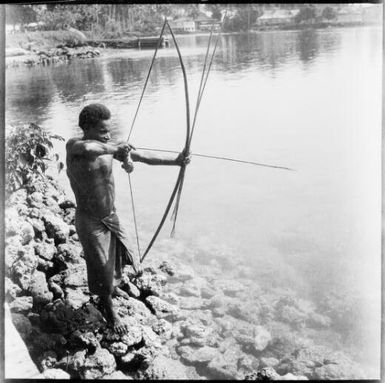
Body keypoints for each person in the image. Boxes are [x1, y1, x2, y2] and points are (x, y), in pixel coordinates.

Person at [66, 103, 190, 334]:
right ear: (87, 128)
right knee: (101, 266)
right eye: (103, 131)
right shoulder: (76, 146)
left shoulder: (106, 146)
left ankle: (112, 287)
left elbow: (142, 156)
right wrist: (115, 148)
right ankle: (109, 312)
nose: (109, 135)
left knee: (126, 257)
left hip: (110, 216)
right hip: (90, 220)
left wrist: (176, 161)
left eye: (109, 130)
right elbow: (91, 149)